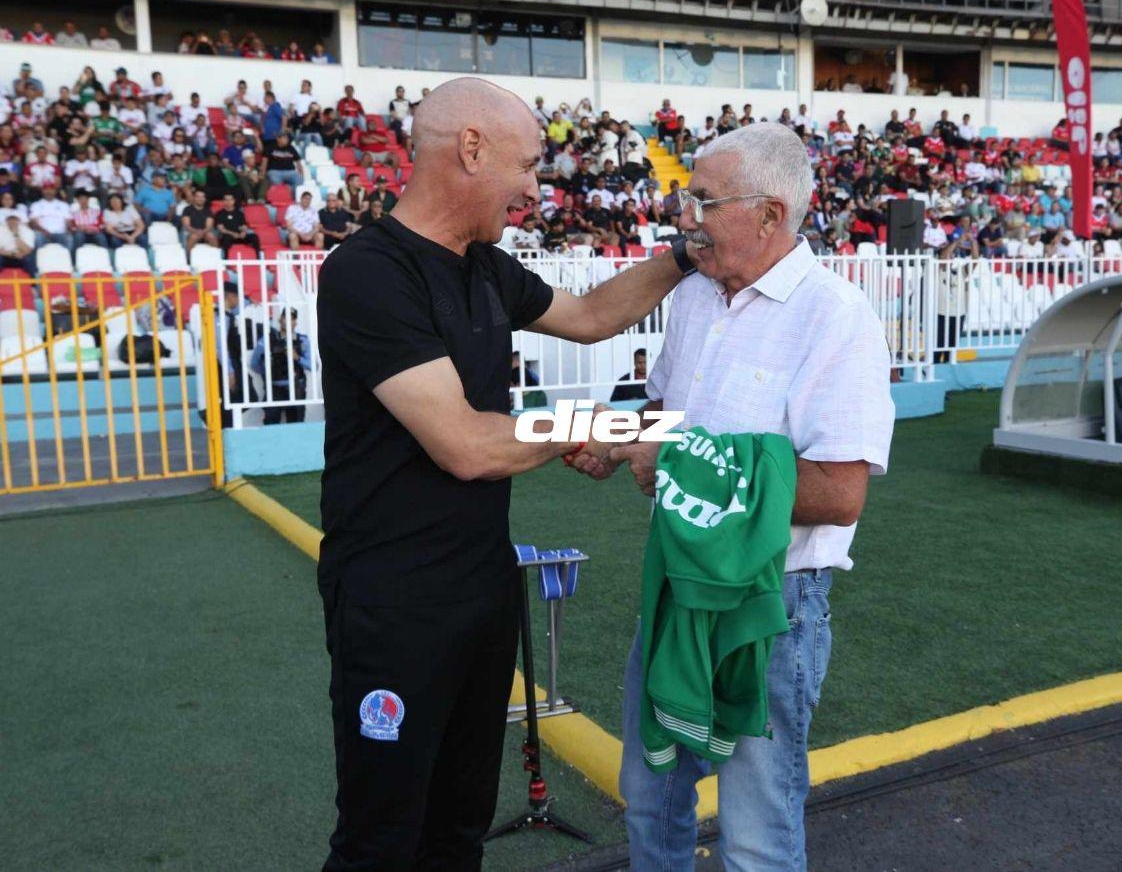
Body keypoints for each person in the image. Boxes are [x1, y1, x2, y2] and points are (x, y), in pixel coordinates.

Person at [314, 76, 692, 871]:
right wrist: (613, 427)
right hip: (394, 604)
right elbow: (466, 443)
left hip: (485, 591)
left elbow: (590, 317)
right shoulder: (367, 273)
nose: (533, 188)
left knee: (459, 829)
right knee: (381, 839)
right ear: (471, 148)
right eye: (526, 166)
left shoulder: (485, 266)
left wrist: (688, 256)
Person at [596, 122, 893, 872]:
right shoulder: (697, 296)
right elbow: (666, 415)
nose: (686, 217)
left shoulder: (837, 316)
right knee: (650, 792)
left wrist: (676, 461)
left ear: (770, 214)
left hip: (773, 602)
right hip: (677, 583)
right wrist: (612, 438)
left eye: (704, 200)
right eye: (689, 197)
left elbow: (839, 494)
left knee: (757, 833)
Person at [252, 307, 312, 424]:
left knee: (296, 424)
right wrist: (269, 373)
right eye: (286, 318)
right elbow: (254, 364)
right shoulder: (267, 340)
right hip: (274, 388)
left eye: (292, 319)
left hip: (296, 387)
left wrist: (297, 358)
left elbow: (313, 366)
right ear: (280, 320)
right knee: (271, 423)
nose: (288, 321)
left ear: (295, 322)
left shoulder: (302, 341)